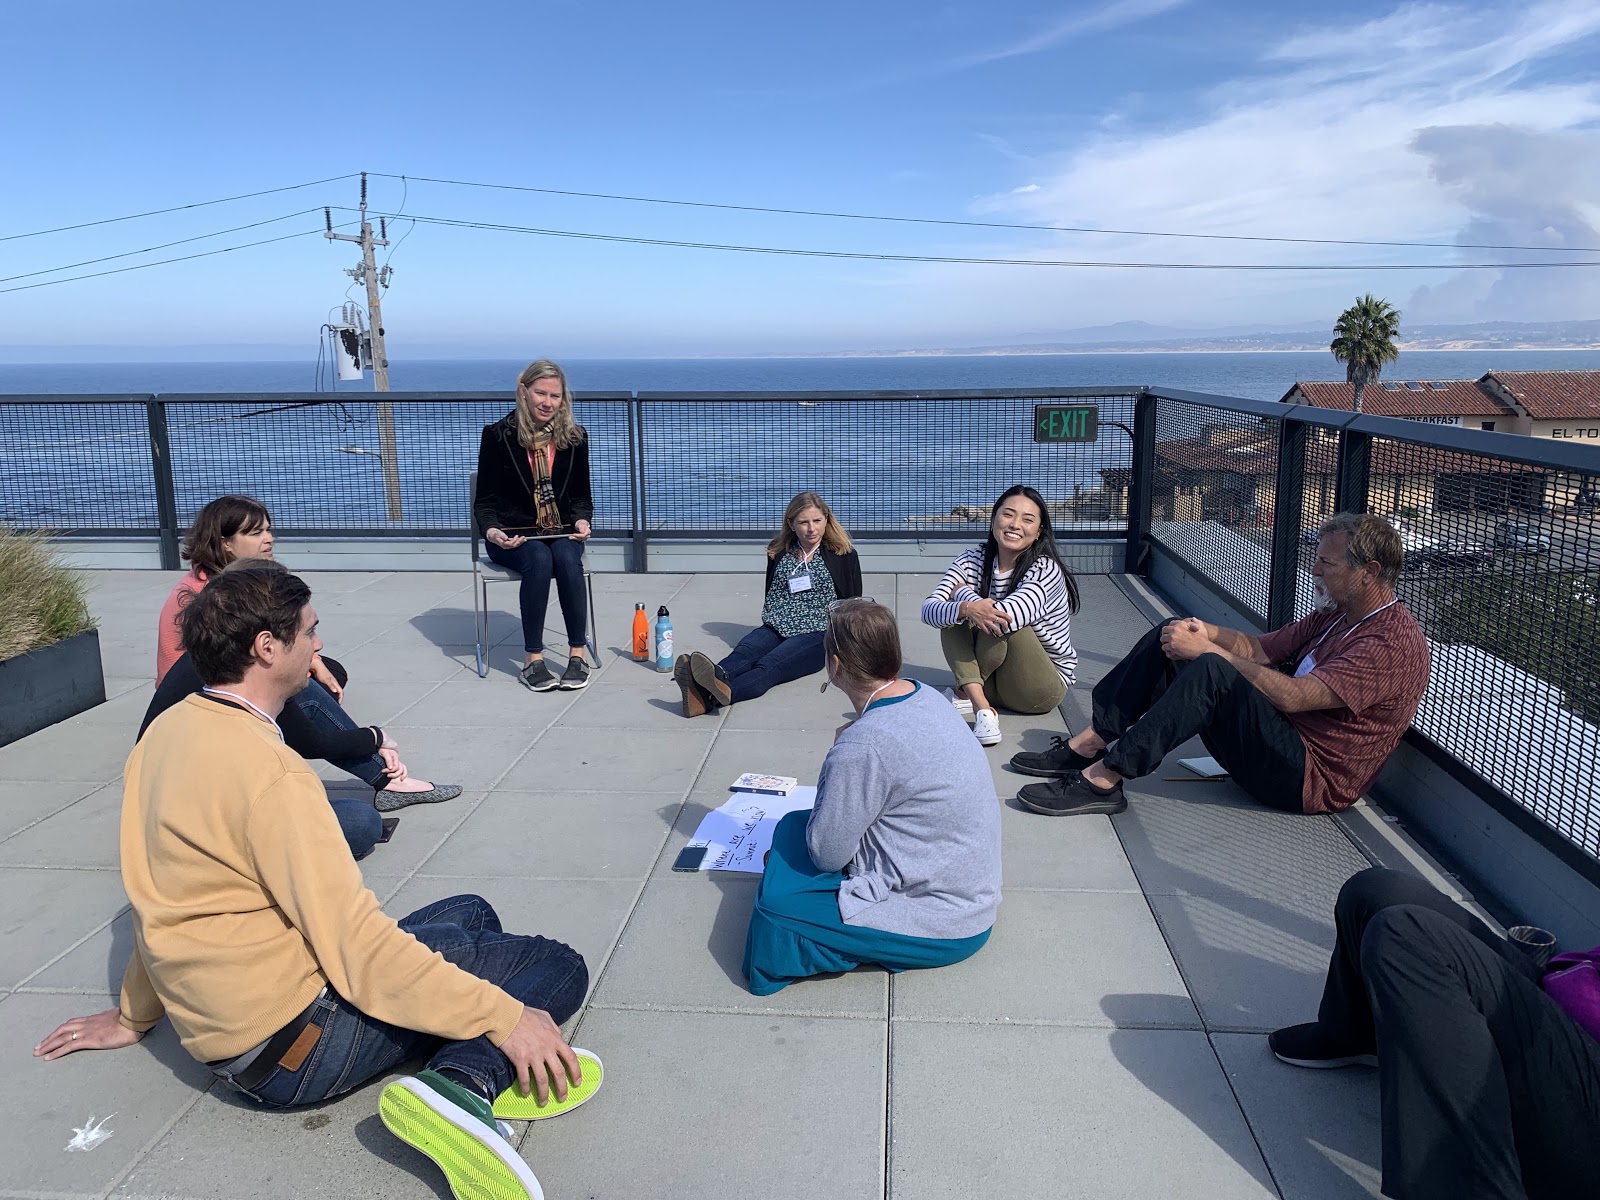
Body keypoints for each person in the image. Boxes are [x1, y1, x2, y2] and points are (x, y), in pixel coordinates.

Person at [35, 563, 596, 1200]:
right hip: (294, 1051)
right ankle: (462, 1090)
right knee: (556, 969)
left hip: (225, 1035)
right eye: (309, 632)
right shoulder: (274, 775)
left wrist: (134, 1017)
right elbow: (359, 952)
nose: (318, 646)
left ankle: (451, 1049)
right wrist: (505, 1017)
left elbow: (157, 896)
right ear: (266, 647)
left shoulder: (165, 733)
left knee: (470, 911)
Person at [1012, 512, 1430, 817]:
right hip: (1279, 742)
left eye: (1327, 564)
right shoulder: (1338, 609)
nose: (1314, 570)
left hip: (1308, 779)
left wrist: (1210, 653)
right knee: (1175, 633)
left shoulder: (1389, 642)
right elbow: (1261, 649)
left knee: (1212, 670)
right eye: (1316, 558)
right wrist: (1203, 632)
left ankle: (1105, 780)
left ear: (1369, 572)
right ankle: (1093, 741)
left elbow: (1298, 698)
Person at [1270, 868, 1599, 1199]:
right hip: (1568, 995)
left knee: (1405, 937)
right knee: (1373, 891)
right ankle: (1360, 1033)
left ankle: (1476, 1190)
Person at [742, 598, 1001, 995]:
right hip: (964, 884)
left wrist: (836, 760)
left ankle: (846, 939)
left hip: (945, 919)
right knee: (793, 824)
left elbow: (828, 855)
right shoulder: (925, 694)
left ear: (836, 664)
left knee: (776, 908)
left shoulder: (864, 745)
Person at [154, 499, 459, 810]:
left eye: (268, 530)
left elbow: (284, 640)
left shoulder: (235, 584)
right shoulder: (206, 600)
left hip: (228, 696)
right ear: (226, 544)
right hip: (208, 716)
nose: (269, 539)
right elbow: (309, 739)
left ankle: (378, 775)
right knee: (357, 816)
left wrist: (314, 662)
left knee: (327, 675)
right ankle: (386, 779)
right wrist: (374, 737)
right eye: (256, 533)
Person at [673, 491, 862, 717]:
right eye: (803, 522)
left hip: (816, 633)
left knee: (769, 666)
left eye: (817, 521)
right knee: (743, 654)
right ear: (791, 524)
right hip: (775, 626)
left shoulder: (843, 554)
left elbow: (853, 602)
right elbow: (771, 592)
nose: (811, 528)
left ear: (826, 521)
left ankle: (707, 696)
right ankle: (703, 681)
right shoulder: (779, 551)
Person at [920, 485, 1080, 748]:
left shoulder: (1045, 569)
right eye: (1008, 515)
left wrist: (965, 594)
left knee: (1010, 625)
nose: (1015, 525)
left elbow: (1004, 619)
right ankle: (981, 708)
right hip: (992, 684)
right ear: (994, 518)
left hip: (1038, 688)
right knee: (953, 614)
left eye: (1028, 520)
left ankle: (964, 692)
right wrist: (966, 608)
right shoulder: (973, 559)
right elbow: (929, 610)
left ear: (1039, 531)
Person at [474, 359, 595, 692]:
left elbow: (581, 498)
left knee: (568, 558)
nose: (547, 402)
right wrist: (493, 532)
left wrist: (583, 519)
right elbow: (484, 502)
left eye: (555, 396)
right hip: (511, 536)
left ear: (563, 399)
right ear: (524, 392)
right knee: (539, 558)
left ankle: (577, 654)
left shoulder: (575, 437)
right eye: (540, 393)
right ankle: (533, 660)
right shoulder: (498, 435)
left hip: (562, 530)